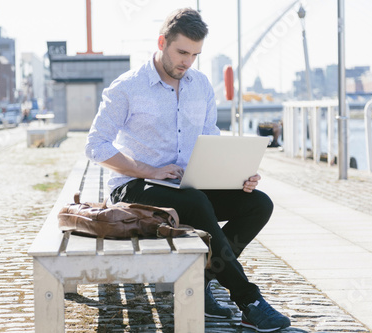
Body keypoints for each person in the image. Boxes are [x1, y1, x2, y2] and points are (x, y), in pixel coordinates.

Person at [85, 8, 291, 332]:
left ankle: (202, 278)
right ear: (162, 42)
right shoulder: (127, 87)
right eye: (182, 52)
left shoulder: (201, 86)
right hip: (134, 187)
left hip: (187, 185)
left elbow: (210, 139)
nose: (187, 62)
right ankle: (248, 300)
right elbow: (95, 146)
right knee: (196, 202)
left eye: (195, 55)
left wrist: (235, 175)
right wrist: (147, 170)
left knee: (258, 203)